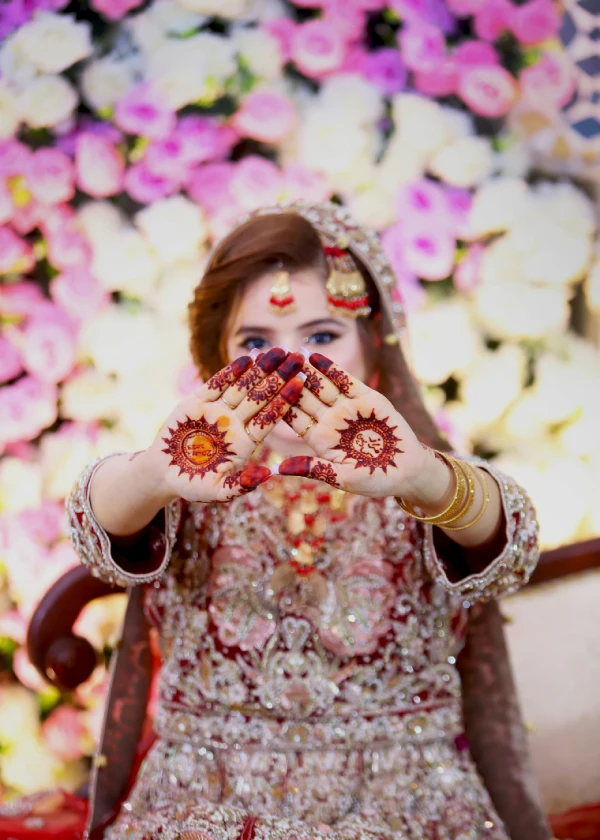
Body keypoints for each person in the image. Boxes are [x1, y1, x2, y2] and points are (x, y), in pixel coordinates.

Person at [67, 201, 551, 840]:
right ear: (219, 357)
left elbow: (510, 551)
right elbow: (95, 535)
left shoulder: (418, 481)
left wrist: (426, 479)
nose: (291, 369)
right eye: (256, 343)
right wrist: (152, 476)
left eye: (323, 337)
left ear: (372, 347)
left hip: (404, 808)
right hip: (203, 809)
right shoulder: (192, 477)